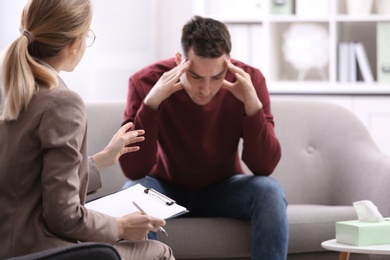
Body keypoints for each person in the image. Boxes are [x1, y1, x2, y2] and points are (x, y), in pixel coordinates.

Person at [0, 0, 175, 259]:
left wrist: (103, 159)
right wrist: (121, 226)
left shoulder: (12, 90)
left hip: (10, 244)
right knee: (159, 251)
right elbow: (63, 216)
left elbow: (28, 177)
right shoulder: (62, 102)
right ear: (74, 43)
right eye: (87, 35)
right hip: (43, 250)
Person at [119, 15, 288, 260]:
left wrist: (252, 106)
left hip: (225, 190)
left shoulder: (249, 81)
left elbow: (264, 166)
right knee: (133, 192)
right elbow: (133, 169)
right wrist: (151, 104)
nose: (206, 89)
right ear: (180, 61)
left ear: (228, 63)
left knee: (270, 191)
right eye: (196, 77)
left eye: (217, 77)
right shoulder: (145, 82)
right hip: (165, 189)